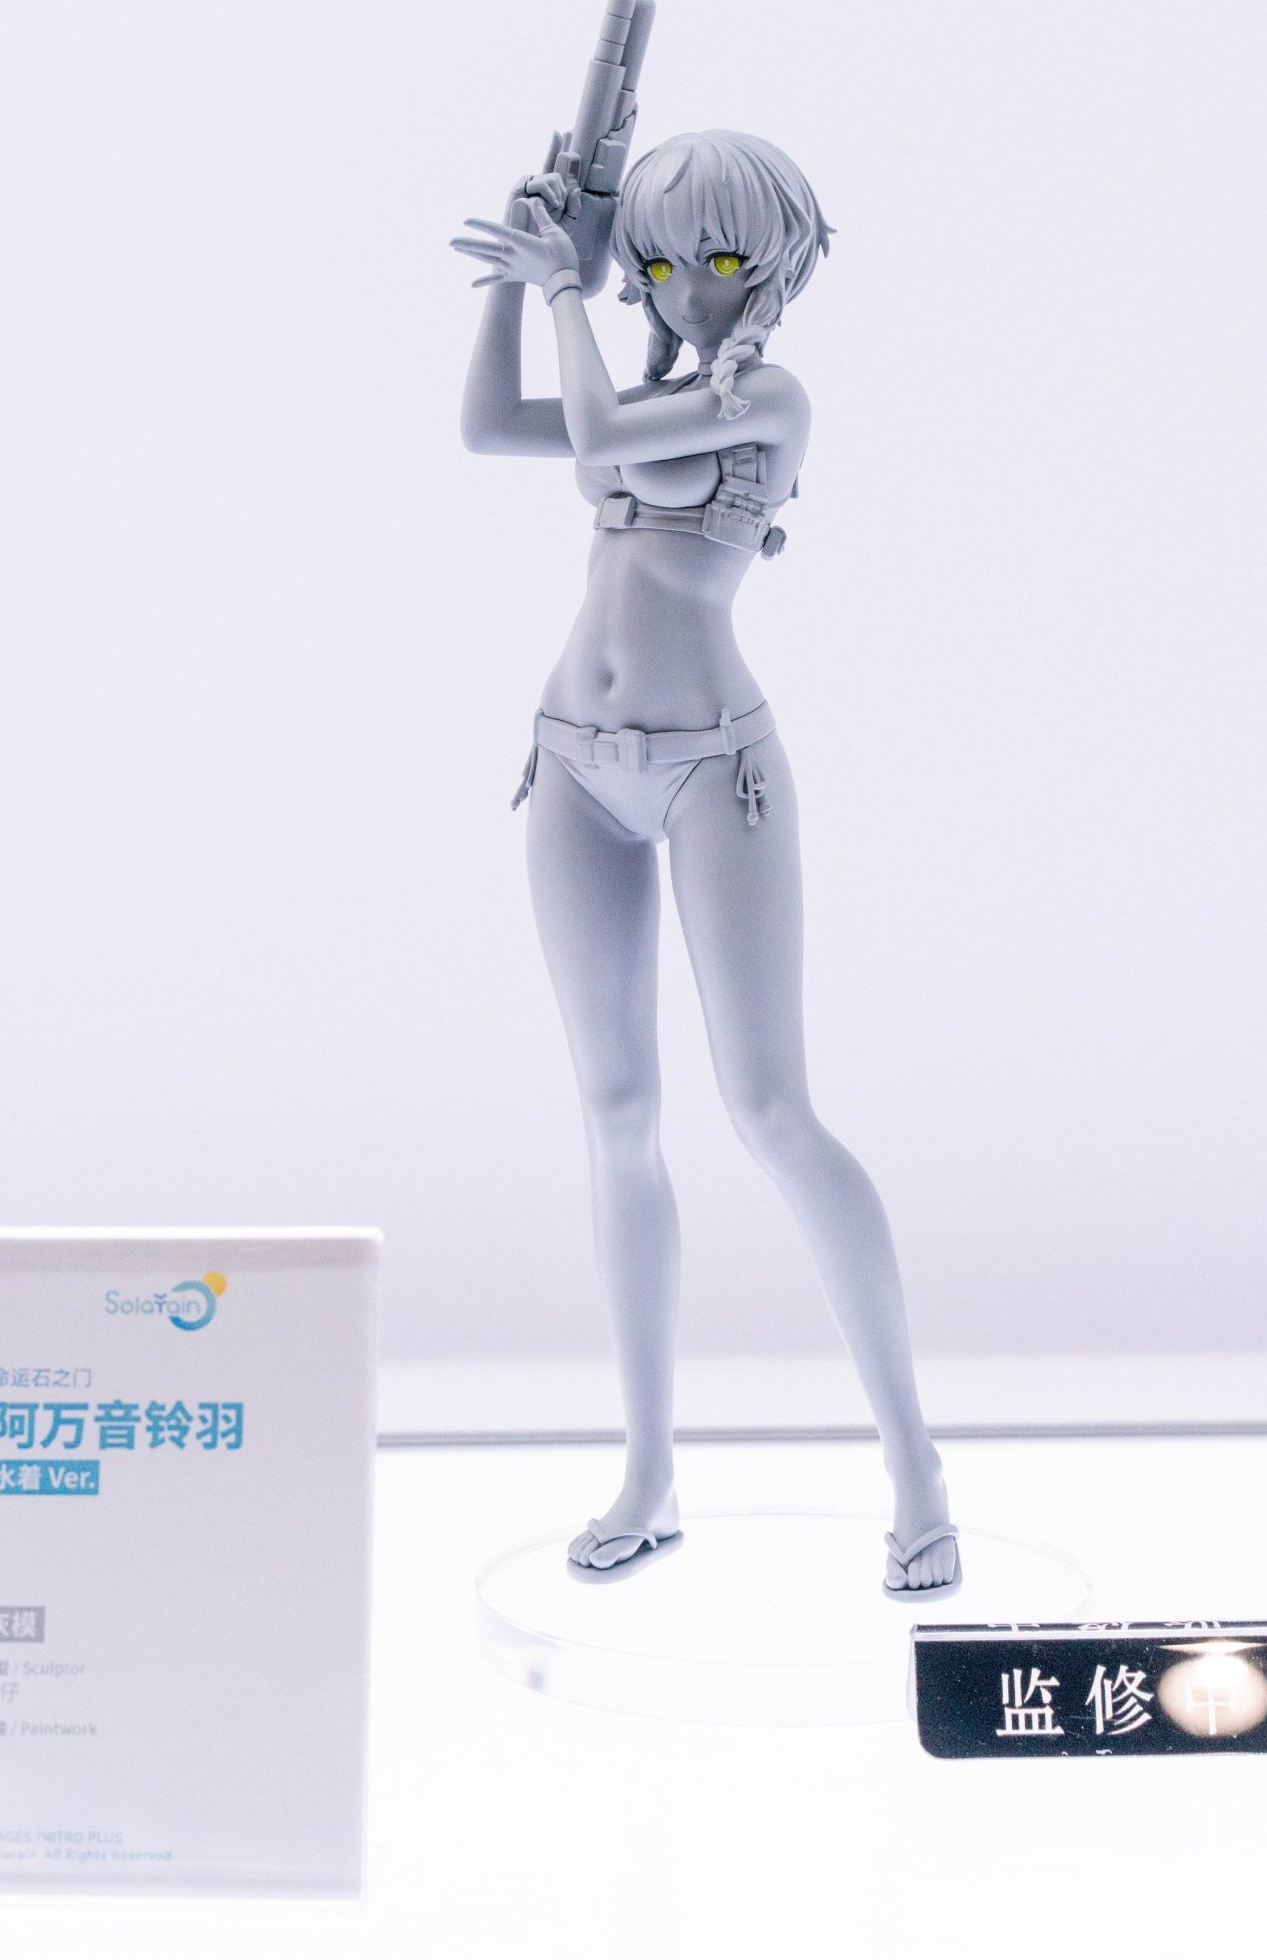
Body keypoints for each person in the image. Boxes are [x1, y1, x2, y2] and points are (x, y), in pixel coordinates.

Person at [453, 129, 960, 1594]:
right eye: (662, 259)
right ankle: (650, 1474)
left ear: (777, 267)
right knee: (616, 1113)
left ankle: (916, 1468)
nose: (688, 285)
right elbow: (490, 428)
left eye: (722, 258)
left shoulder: (769, 400)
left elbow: (596, 442)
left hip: (711, 767)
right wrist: (525, 273)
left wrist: (570, 285)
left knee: (771, 1109)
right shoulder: (653, 390)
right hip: (571, 760)